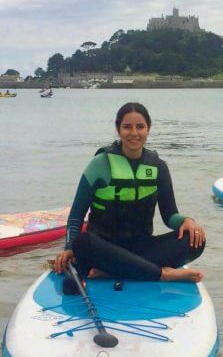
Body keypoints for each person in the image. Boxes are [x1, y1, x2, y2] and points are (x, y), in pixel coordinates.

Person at [52, 102, 206, 282]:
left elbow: (169, 215)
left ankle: (113, 271)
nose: (134, 133)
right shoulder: (100, 165)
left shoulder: (158, 167)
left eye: (140, 127)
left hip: (142, 246)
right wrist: (69, 247)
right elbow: (77, 214)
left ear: (148, 129)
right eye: (127, 127)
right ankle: (162, 274)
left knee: (196, 240)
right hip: (104, 247)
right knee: (82, 243)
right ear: (118, 130)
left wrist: (187, 221)